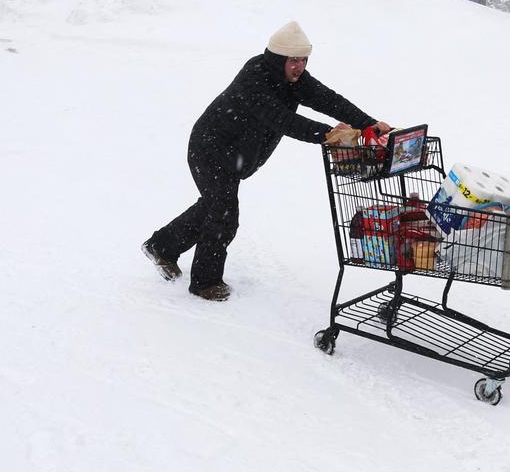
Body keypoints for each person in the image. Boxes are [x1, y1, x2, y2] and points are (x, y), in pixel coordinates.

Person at [142, 21, 390, 302]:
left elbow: (328, 99)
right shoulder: (254, 78)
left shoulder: (294, 80)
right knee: (224, 213)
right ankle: (205, 282)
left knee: (213, 206)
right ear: (277, 59)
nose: (299, 66)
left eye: (303, 60)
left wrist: (368, 123)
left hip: (234, 153)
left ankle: (161, 246)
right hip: (209, 149)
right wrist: (326, 134)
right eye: (292, 60)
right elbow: (282, 119)